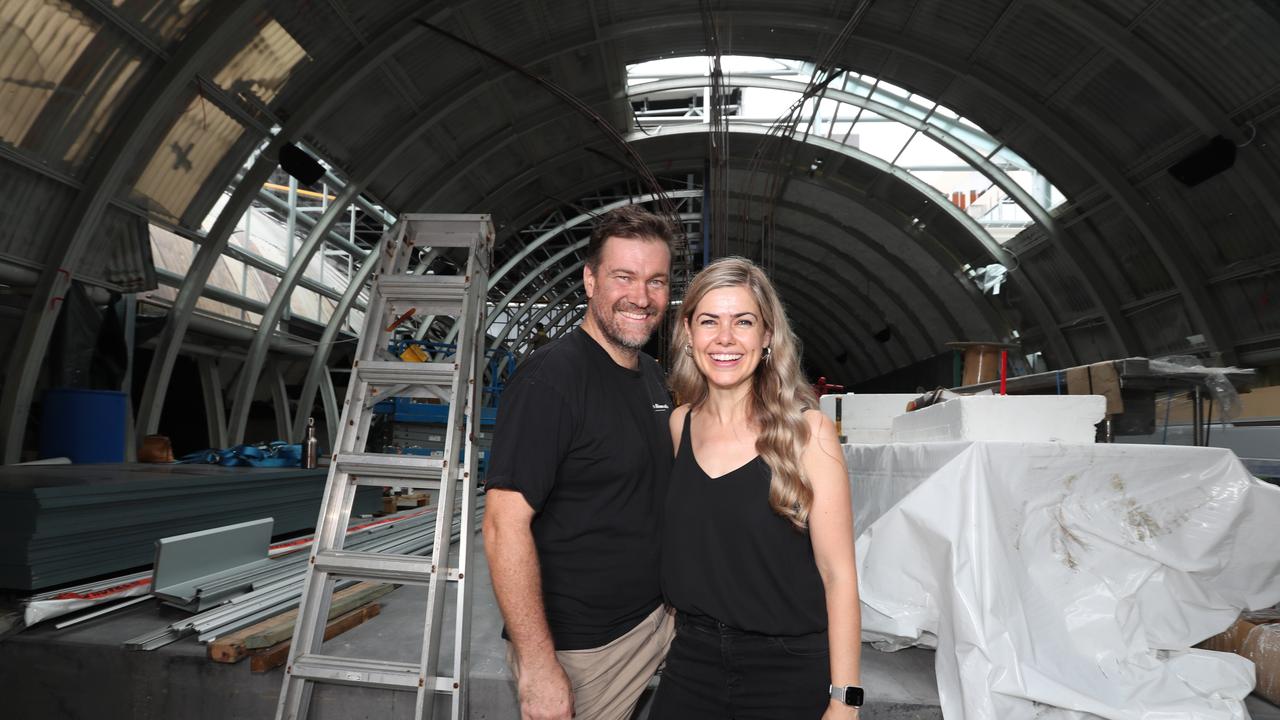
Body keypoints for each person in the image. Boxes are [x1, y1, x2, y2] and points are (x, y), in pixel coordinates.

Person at [483, 205, 679, 720]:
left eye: (656, 281)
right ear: (590, 280)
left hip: (655, 622)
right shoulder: (551, 380)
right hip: (585, 649)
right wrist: (538, 665)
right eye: (624, 277)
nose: (641, 297)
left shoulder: (654, 377)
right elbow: (504, 527)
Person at [652, 257, 863, 719]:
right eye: (709, 321)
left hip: (786, 671)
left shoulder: (808, 434)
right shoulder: (679, 425)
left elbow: (838, 577)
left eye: (743, 322)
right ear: (688, 333)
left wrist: (845, 701)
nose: (725, 338)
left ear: (767, 336)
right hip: (692, 663)